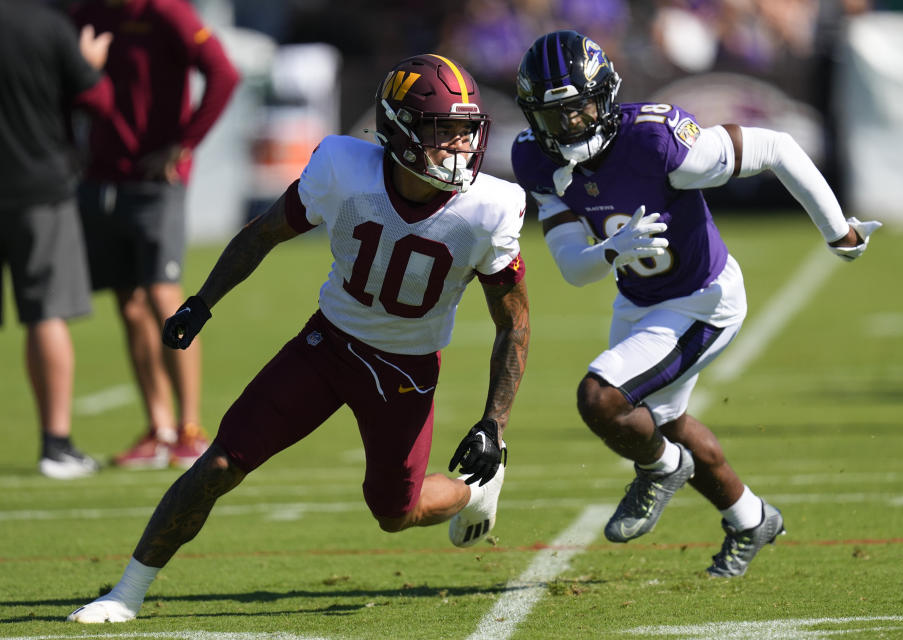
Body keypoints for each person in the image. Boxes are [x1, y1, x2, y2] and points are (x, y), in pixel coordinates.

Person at [67, 53, 529, 623]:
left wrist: (494, 425)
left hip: (406, 371)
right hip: (328, 347)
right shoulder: (343, 167)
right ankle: (126, 592)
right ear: (401, 130)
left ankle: (474, 492)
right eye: (443, 133)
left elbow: (514, 323)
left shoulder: (492, 207)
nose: (459, 148)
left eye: (466, 134)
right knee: (220, 463)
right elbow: (264, 234)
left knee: (393, 511)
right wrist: (202, 302)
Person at [510, 30, 880, 577]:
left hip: (703, 301)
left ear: (604, 97)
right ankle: (751, 519)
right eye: (549, 117)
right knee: (666, 421)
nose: (564, 129)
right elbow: (572, 269)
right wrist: (610, 252)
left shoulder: (657, 141)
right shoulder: (535, 159)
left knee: (602, 399)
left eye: (576, 111)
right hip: (639, 303)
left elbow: (777, 147)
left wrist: (838, 232)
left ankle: (661, 470)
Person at [69, 0, 241, 469]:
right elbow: (78, 91)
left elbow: (225, 74)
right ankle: (160, 428)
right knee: (128, 303)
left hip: (155, 183)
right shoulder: (85, 13)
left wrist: (185, 144)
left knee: (163, 293)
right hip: (101, 179)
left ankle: (190, 429)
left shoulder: (167, 11)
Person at [0, 0, 118, 479]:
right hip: (39, 189)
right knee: (46, 315)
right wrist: (89, 67)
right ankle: (57, 445)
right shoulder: (50, 26)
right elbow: (100, 100)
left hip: (33, 186)